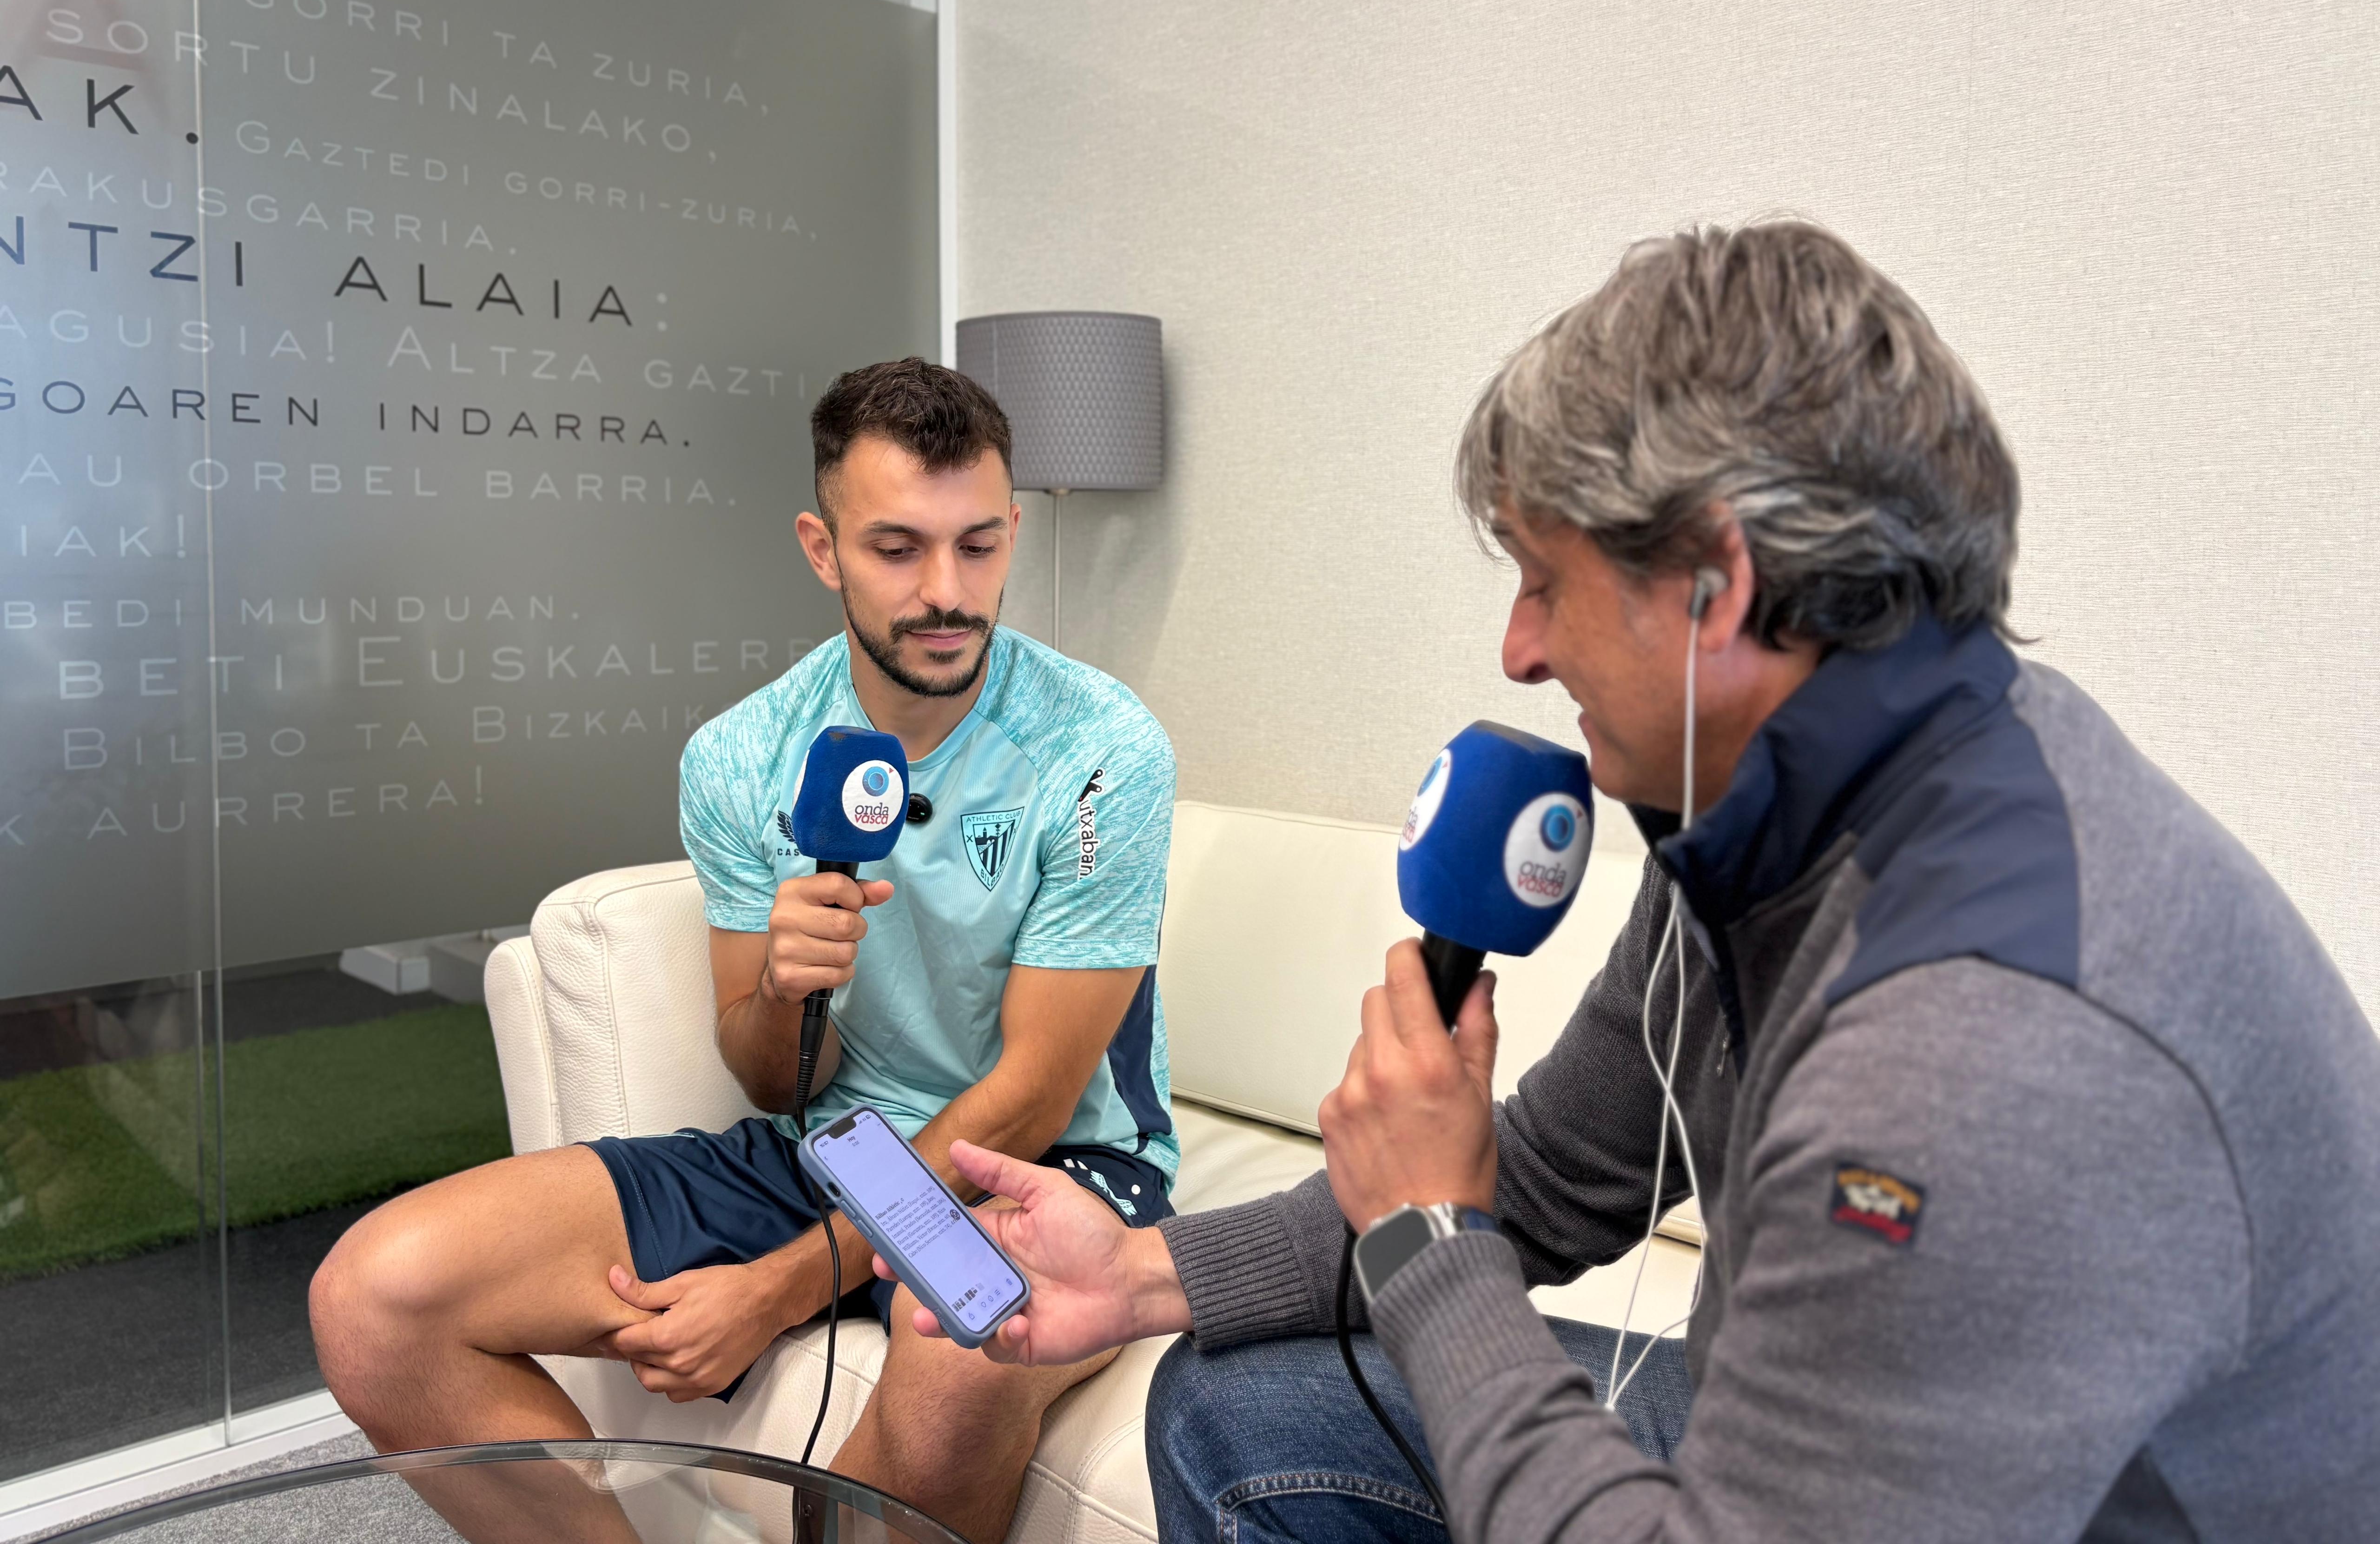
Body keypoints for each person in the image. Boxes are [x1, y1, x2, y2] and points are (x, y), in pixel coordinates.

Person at [898, 223, 2380, 1542]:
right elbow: (1558, 1174)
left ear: (1719, 587)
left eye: (1546, 581)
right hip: (1876, 1445)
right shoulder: (1770, 802)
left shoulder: (1982, 1041)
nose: (1518, 651)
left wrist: (1427, 1238)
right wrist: (1140, 1272)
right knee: (1241, 1417)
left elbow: (1466, 1231)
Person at [311, 358, 1179, 1544]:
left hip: (1051, 1168)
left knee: (958, 1364)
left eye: (977, 546)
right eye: (896, 549)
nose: (946, 592)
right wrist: (780, 988)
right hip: (831, 1149)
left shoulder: (1101, 749)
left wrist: (779, 1288)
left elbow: (1030, 1097)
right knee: (375, 1302)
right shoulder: (741, 755)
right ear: (823, 550)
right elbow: (773, 1081)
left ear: (1013, 532)